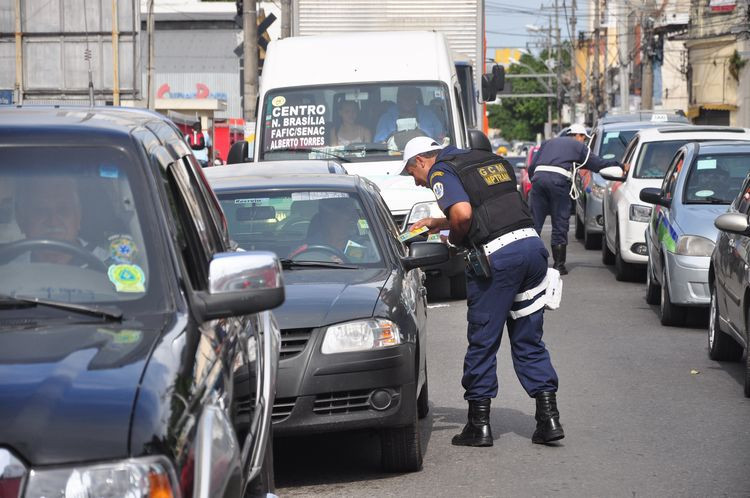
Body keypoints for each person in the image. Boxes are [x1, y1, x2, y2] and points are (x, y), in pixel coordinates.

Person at [402, 136, 564, 447]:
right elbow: (489, 205)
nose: (417, 183)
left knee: (483, 340)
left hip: (498, 258)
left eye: (412, 174)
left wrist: (453, 240)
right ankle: (549, 419)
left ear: (421, 161)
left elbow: (463, 214)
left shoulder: (441, 171)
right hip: (532, 250)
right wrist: (440, 221)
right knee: (529, 339)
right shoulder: (489, 160)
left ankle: (479, 425)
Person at [529, 123, 621, 274]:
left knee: (534, 223)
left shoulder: (548, 143)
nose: (584, 142)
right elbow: (597, 165)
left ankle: (531, 264)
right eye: (584, 139)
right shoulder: (578, 146)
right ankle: (558, 265)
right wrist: (619, 165)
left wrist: (537, 181)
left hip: (538, 180)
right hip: (558, 181)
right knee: (560, 222)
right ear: (579, 136)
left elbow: (532, 167)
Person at [14, 176, 108, 266]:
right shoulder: (10, 274)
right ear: (21, 222)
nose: (53, 222)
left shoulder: (109, 267)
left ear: (78, 217)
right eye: (41, 211)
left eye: (63, 210)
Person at [373, 87, 444, 143]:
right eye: (405, 97)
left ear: (416, 97)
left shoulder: (429, 115)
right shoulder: (387, 118)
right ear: (399, 98)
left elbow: (441, 138)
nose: (408, 100)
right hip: (394, 157)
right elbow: (380, 143)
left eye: (411, 96)